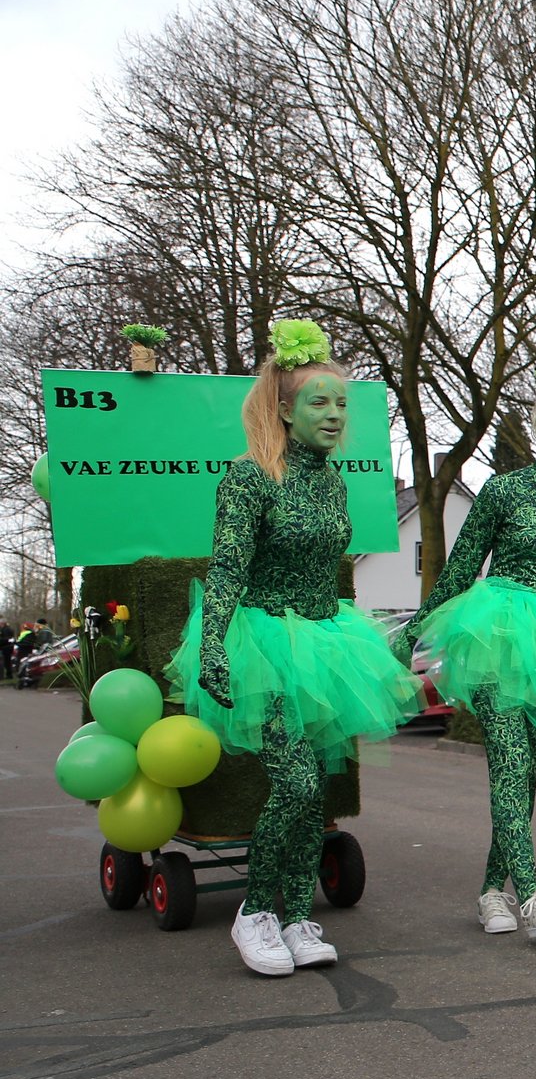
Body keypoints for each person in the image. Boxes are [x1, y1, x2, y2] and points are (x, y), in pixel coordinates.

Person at [168, 319, 422, 977]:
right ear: (284, 408)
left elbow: (326, 568)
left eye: (341, 403)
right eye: (319, 402)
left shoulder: (333, 482)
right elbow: (227, 568)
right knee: (297, 781)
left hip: (325, 642)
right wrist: (214, 643)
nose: (335, 415)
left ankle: (298, 915)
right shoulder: (248, 477)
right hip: (266, 643)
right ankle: (255, 911)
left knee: (316, 793)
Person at [395, 351, 536, 941]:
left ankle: (490, 892)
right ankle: (532, 896)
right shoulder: (502, 491)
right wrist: (416, 630)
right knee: (508, 764)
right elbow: (459, 567)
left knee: (526, 777)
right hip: (497, 633)